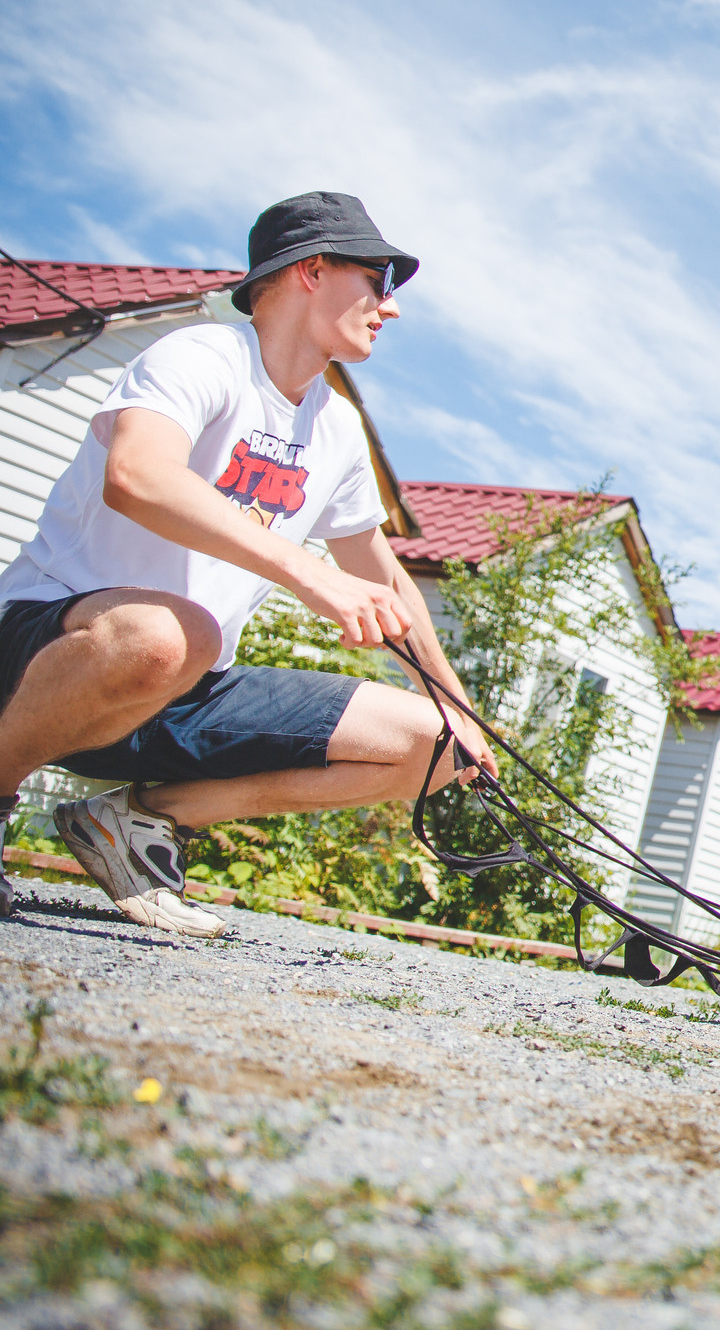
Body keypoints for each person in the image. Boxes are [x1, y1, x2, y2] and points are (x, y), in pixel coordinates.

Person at [0, 193, 490, 937]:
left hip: (183, 684)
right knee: (171, 635)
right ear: (312, 271)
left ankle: (139, 821)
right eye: (377, 281)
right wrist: (308, 571)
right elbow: (137, 476)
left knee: (436, 743)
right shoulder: (202, 356)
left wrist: (461, 710)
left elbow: (387, 580)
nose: (389, 307)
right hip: (50, 651)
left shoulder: (337, 427)